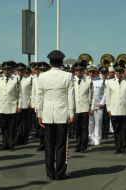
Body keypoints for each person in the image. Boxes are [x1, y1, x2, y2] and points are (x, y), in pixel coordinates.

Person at [36, 50, 75, 180]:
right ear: (62, 62)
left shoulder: (42, 76)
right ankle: (60, 173)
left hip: (47, 113)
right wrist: (72, 114)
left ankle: (50, 173)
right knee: (61, 145)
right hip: (62, 113)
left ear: (50, 62)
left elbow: (39, 96)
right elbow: (70, 96)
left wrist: (39, 114)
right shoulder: (68, 76)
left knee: (49, 145)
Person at [106, 61, 126, 154]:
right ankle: (117, 147)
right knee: (116, 130)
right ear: (115, 71)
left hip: (125, 109)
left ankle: (123, 147)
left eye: (121, 71)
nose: (119, 73)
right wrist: (109, 109)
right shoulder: (109, 82)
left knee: (124, 129)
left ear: (123, 71)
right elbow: (108, 97)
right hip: (114, 110)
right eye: (117, 71)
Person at [0, 61, 21, 151]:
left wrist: (18, 106)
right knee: (3, 127)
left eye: (8, 69)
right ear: (3, 70)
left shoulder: (16, 80)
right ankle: (4, 144)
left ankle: (11, 144)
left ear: (11, 70)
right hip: (1, 107)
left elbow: (19, 94)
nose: (6, 70)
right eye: (5, 69)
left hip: (12, 107)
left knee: (11, 127)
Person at [73, 62, 94, 153]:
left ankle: (84, 146)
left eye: (80, 70)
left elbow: (91, 95)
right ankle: (78, 145)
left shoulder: (88, 80)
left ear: (83, 71)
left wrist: (91, 107)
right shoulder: (71, 80)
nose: (79, 72)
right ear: (75, 72)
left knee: (84, 128)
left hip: (85, 107)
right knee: (77, 128)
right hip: (75, 108)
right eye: (77, 70)